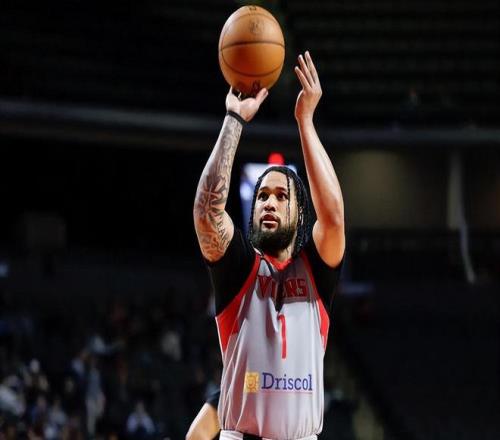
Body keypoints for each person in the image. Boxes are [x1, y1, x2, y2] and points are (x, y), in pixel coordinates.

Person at [193, 51, 344, 440]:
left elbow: (333, 217)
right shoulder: (239, 269)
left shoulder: (315, 271)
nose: (269, 203)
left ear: (299, 212)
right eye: (262, 196)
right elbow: (207, 213)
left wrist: (305, 122)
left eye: (281, 195)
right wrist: (234, 120)